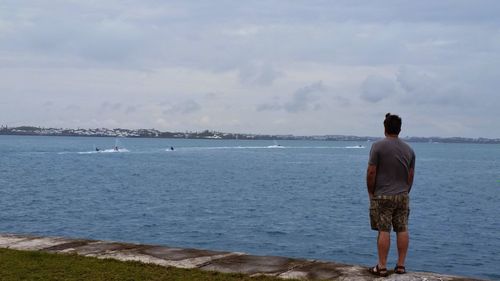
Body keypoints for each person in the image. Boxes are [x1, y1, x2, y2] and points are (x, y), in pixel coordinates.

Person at [366, 113, 415, 277]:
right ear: (400, 129)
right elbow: (410, 175)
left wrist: (371, 191)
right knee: (402, 228)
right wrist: (405, 191)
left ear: (385, 128)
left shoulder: (378, 146)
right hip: (402, 195)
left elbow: (371, 171)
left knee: (384, 229)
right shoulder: (409, 150)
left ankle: (382, 266)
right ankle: (401, 266)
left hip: (383, 195)